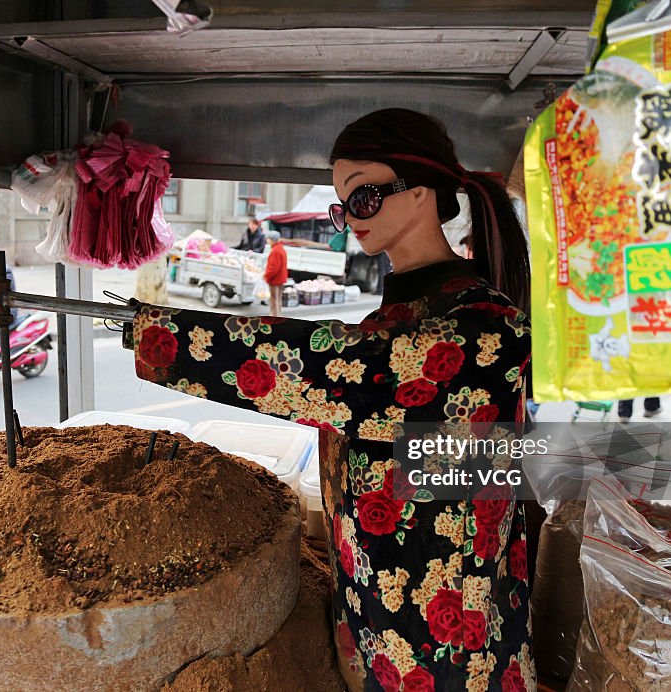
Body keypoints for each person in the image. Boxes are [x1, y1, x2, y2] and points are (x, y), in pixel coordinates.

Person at [127, 109, 533, 690]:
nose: (351, 221)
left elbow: (337, 368)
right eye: (343, 207)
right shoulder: (392, 317)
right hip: (378, 602)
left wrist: (163, 337)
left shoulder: (485, 327)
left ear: (419, 193)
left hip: (455, 634)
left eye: (364, 196)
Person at [263, 230, 288, 317]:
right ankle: (278, 315)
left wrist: (266, 276)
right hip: (281, 278)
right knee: (278, 298)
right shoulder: (281, 248)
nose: (267, 240)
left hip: (275, 279)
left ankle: (274, 316)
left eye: (268, 239)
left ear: (272, 240)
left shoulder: (275, 251)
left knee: (274, 299)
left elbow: (273, 268)